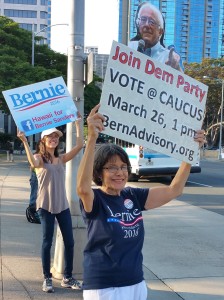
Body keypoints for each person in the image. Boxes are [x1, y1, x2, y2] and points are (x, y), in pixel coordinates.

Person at [76, 104, 205, 300]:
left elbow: (174, 190)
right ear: (99, 173)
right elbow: (82, 188)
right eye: (111, 168)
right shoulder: (97, 200)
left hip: (136, 282)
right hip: (104, 286)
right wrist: (92, 137)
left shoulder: (133, 196)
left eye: (123, 167)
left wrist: (190, 153)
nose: (119, 172)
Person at [17, 120, 83, 293]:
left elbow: (79, 145)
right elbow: (32, 163)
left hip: (62, 206)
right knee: (47, 242)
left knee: (70, 242)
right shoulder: (39, 159)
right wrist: (24, 141)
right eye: (50, 136)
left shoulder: (61, 159)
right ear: (43, 140)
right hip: (45, 206)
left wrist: (78, 124)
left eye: (56, 136)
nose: (54, 139)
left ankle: (67, 278)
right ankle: (47, 278)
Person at [128, 2, 183, 71]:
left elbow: (180, 80)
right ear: (138, 24)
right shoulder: (127, 47)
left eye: (152, 22)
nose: (147, 25)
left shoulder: (169, 58)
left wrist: (177, 69)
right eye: (143, 19)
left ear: (160, 31)